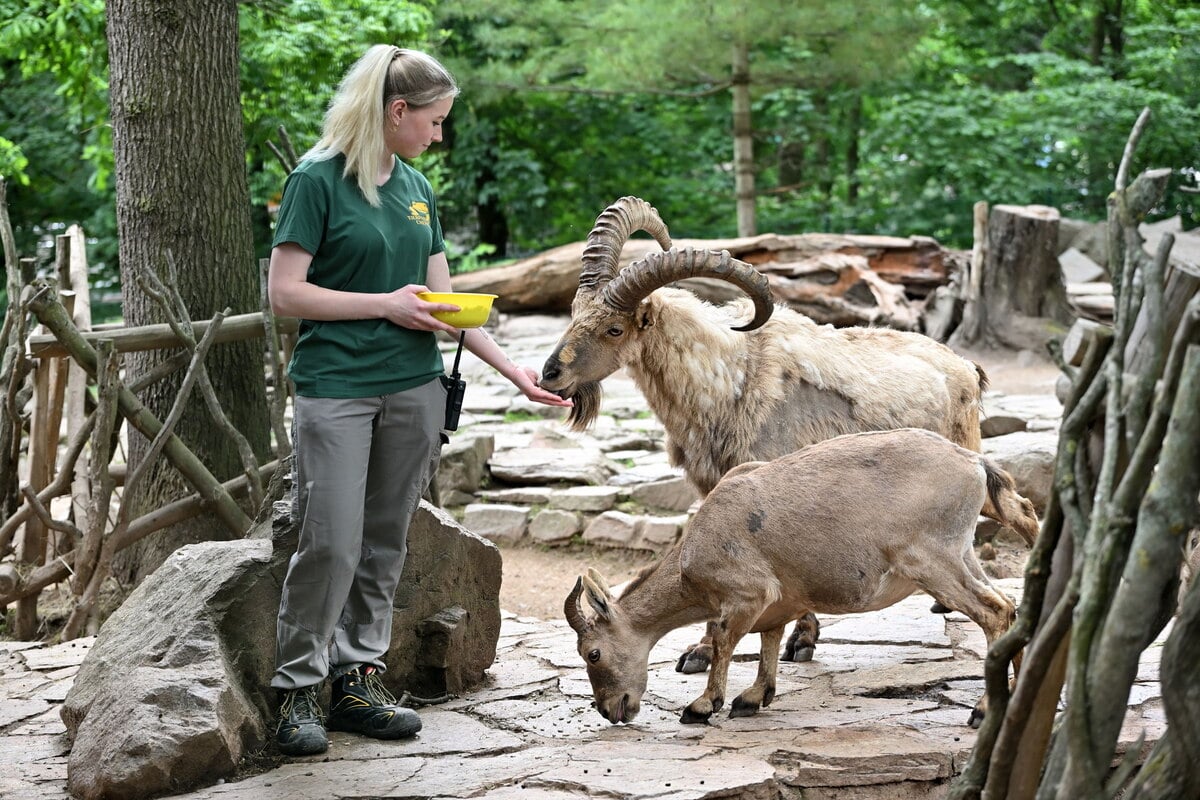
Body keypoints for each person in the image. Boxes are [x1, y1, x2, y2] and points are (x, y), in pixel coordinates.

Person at [266, 44, 572, 757]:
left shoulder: (415, 188)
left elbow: (444, 303)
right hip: (336, 389)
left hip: (414, 388)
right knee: (330, 541)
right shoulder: (317, 180)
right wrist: (384, 305)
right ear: (397, 111)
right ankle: (296, 689)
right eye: (433, 121)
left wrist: (516, 372)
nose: (438, 135)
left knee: (384, 542)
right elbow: (284, 295)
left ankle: (359, 679)